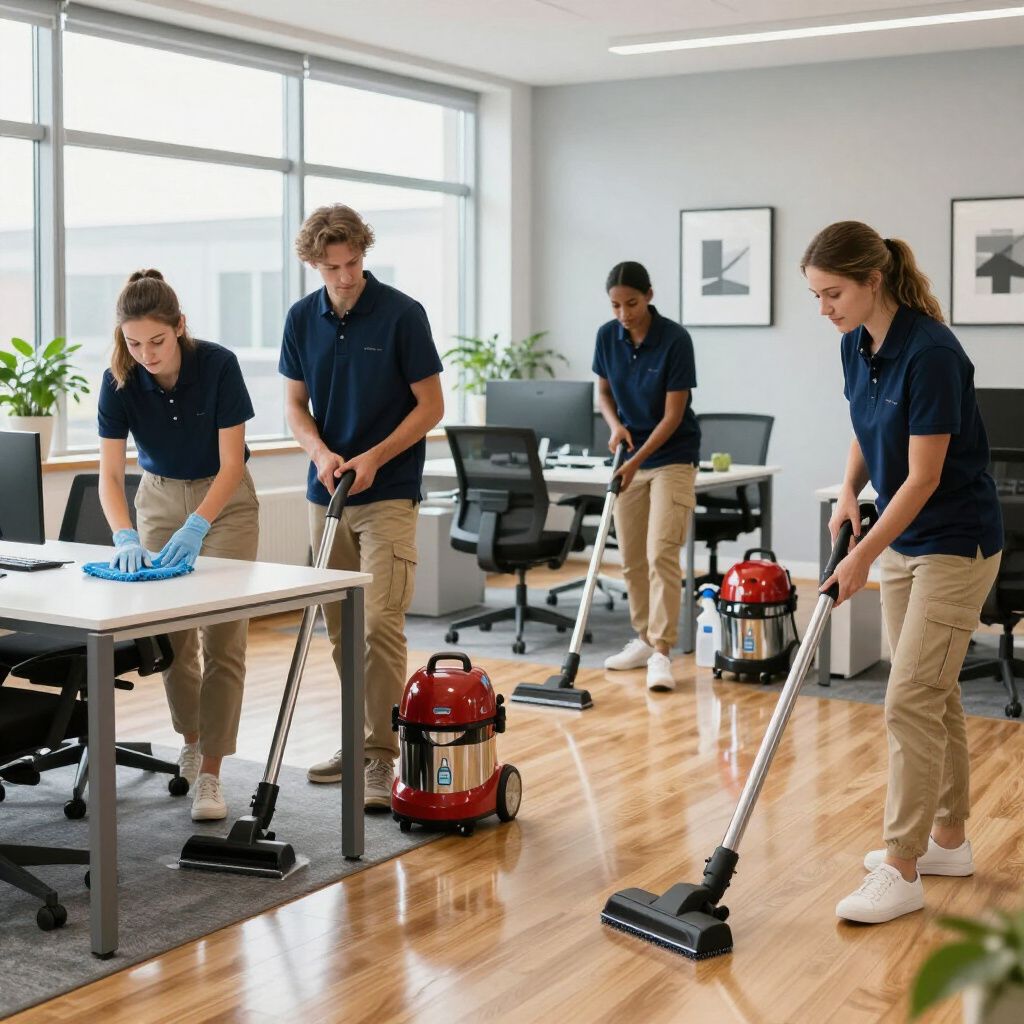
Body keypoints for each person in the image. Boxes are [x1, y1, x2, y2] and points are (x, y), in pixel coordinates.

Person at [804, 221, 1003, 925]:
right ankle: (948, 840)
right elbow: (865, 428)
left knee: (908, 699)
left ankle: (902, 866)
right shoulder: (854, 346)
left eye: (833, 294)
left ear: (872, 281)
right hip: (904, 539)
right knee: (931, 692)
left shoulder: (933, 353)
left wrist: (861, 555)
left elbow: (921, 478)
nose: (824, 307)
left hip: (955, 541)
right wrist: (849, 493)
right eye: (817, 296)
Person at [279, 204, 444, 809]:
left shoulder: (402, 315)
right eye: (331, 266)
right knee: (342, 629)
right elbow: (295, 407)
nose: (344, 276)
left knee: (380, 623)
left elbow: (430, 407)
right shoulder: (302, 319)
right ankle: (358, 741)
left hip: (389, 491)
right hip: (327, 492)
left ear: (364, 254)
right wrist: (320, 451)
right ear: (313, 263)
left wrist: (375, 455)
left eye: (352, 263)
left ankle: (380, 757)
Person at [97, 270, 260, 822]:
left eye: (157, 341)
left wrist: (199, 526)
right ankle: (191, 740)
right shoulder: (117, 379)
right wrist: (123, 533)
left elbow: (233, 463)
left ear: (180, 327)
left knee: (224, 638)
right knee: (171, 639)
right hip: (159, 499)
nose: (145, 354)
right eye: (133, 342)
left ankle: (212, 773)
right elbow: (108, 474)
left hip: (225, 501)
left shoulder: (217, 365)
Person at [594, 261, 701, 692]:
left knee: (661, 553)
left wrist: (635, 461)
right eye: (616, 305)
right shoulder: (607, 336)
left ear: (650, 295)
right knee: (632, 558)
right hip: (629, 458)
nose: (624, 314)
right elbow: (602, 390)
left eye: (632, 303)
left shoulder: (675, 339)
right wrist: (614, 425)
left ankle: (662, 652)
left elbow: (674, 415)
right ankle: (641, 639)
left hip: (672, 458)